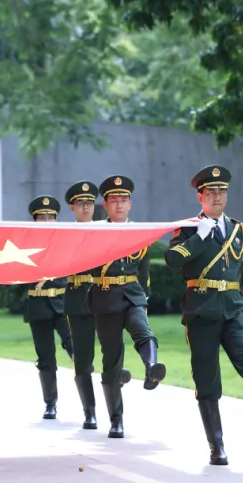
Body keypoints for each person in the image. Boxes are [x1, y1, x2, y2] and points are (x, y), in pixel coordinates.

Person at [165, 164, 243, 466]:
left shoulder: (238, 230)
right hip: (201, 309)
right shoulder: (189, 229)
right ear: (200, 196)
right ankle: (216, 446)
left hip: (232, 305)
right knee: (207, 379)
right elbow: (172, 260)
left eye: (221, 191)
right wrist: (199, 238)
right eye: (210, 192)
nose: (217, 196)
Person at [86, 174, 167, 439]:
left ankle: (152, 367)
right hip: (105, 298)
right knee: (111, 361)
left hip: (133, 295)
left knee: (143, 331)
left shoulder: (139, 233)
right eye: (114, 200)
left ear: (130, 204)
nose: (119, 204)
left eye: (123, 200)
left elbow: (143, 272)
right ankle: (116, 420)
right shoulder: (94, 232)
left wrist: (145, 298)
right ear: (106, 205)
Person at [62, 181, 130, 429]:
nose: (86, 208)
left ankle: (116, 412)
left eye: (89, 203)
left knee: (111, 355)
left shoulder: (106, 231)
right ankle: (89, 411)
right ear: (72, 207)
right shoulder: (65, 235)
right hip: (78, 299)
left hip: (104, 297)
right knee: (82, 359)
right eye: (80, 204)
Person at [23, 195, 74, 420]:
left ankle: (89, 401)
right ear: (34, 220)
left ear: (56, 219)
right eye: (41, 217)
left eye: (50, 217)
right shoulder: (24, 245)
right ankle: (50, 403)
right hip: (38, 306)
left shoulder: (65, 241)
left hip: (63, 304)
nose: (46, 221)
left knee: (75, 347)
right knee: (45, 358)